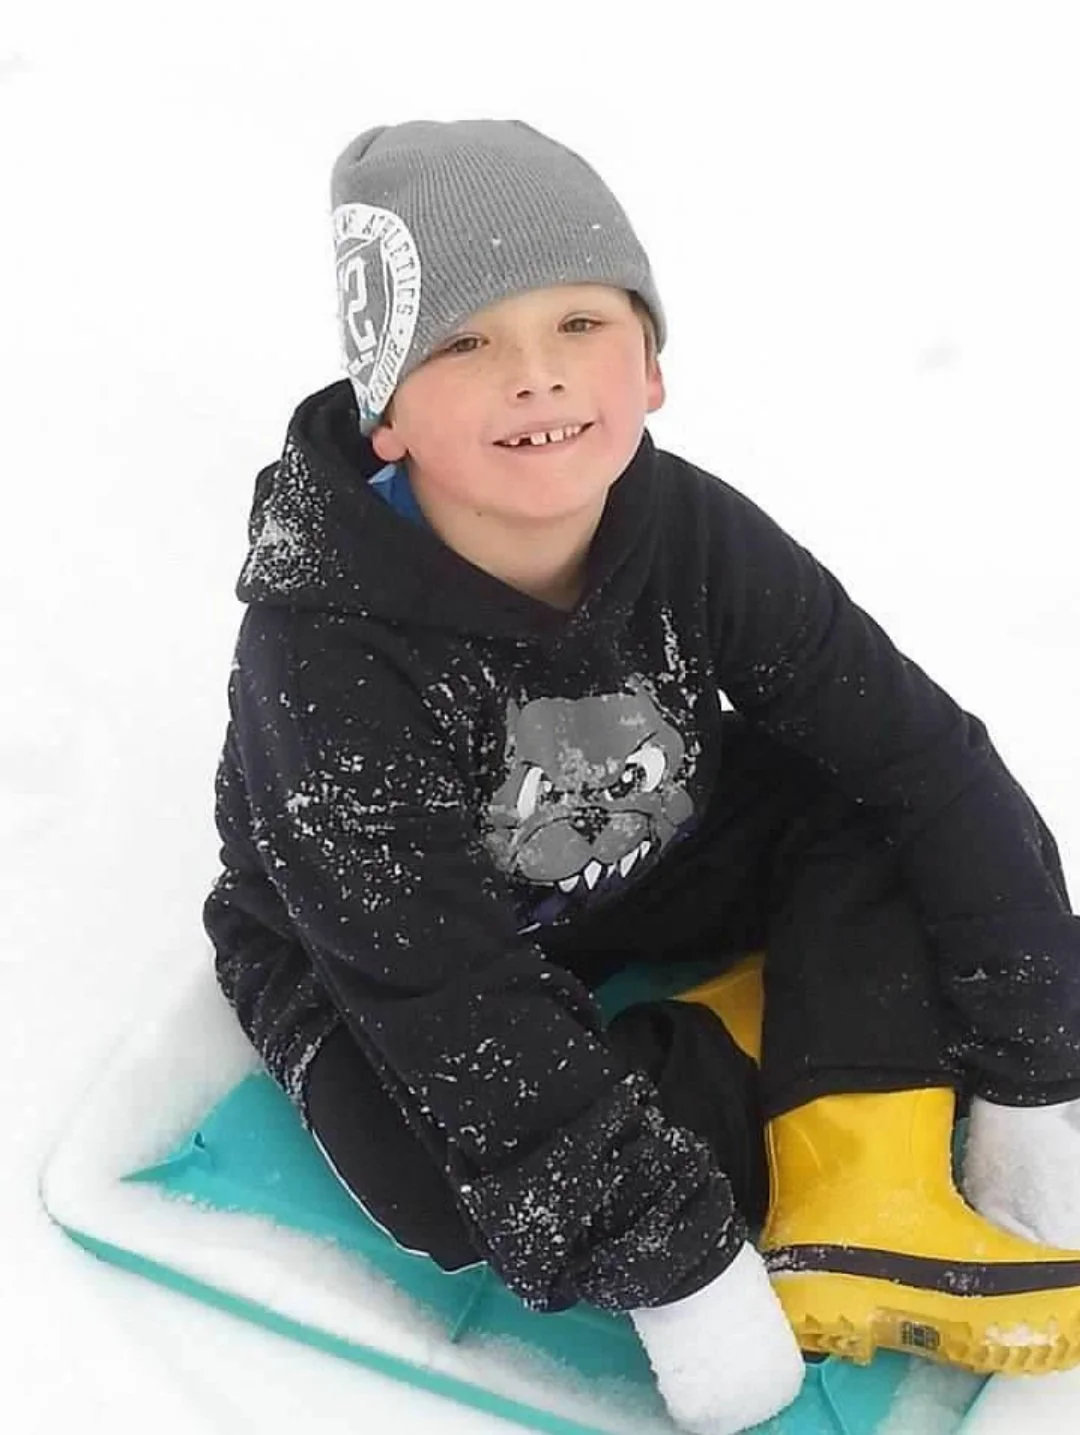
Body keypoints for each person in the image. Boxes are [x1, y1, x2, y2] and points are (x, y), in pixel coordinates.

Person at [203, 118, 1080, 1435]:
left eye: (578, 325)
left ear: (651, 364)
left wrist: (1033, 1070)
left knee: (880, 820)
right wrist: (678, 1262)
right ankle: (790, 1070)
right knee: (454, 1184)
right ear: (387, 413)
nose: (537, 379)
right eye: (465, 342)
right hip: (384, 953)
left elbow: (919, 758)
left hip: (639, 839)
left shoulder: (687, 526)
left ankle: (854, 1186)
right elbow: (446, 997)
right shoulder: (323, 653)